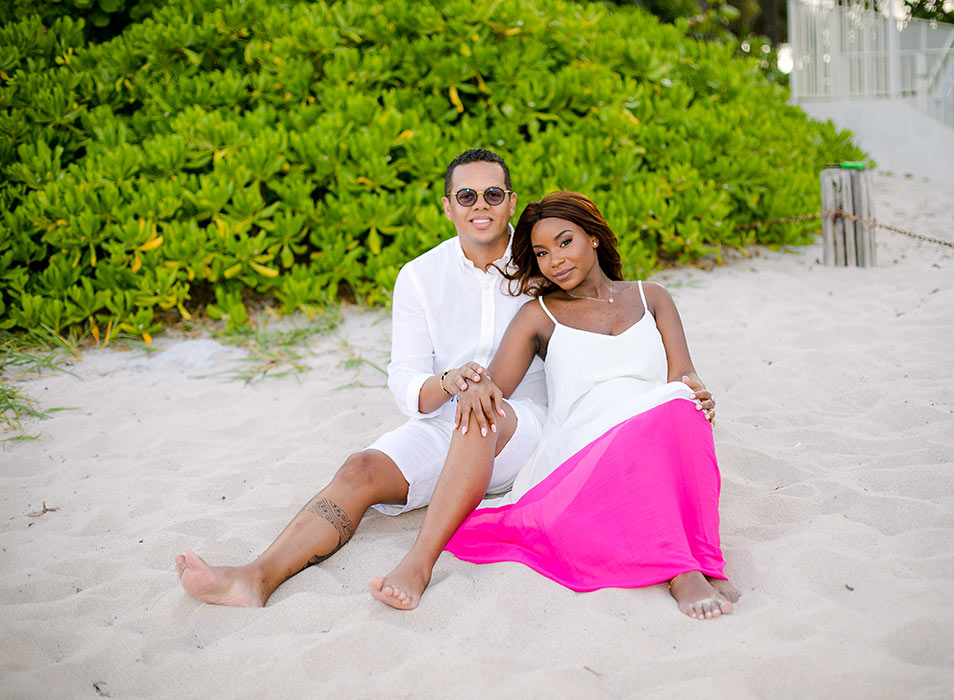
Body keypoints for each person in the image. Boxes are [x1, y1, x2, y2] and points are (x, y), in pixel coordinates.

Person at [174, 148, 549, 607]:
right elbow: (406, 378)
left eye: (492, 194)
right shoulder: (419, 276)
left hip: (524, 426)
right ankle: (256, 577)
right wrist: (449, 381)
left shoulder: (543, 260)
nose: (480, 206)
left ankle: (418, 563)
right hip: (445, 420)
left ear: (511, 202)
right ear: (447, 206)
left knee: (479, 413)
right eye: (466, 195)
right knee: (360, 469)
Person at [374, 191, 736, 619]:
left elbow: (684, 377)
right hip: (587, 444)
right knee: (663, 414)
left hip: (654, 426)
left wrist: (701, 395)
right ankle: (682, 571)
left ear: (594, 238)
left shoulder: (651, 296)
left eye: (565, 243)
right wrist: (465, 383)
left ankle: (702, 555)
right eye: (542, 253)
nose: (555, 261)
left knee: (683, 404)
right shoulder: (539, 314)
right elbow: (494, 389)